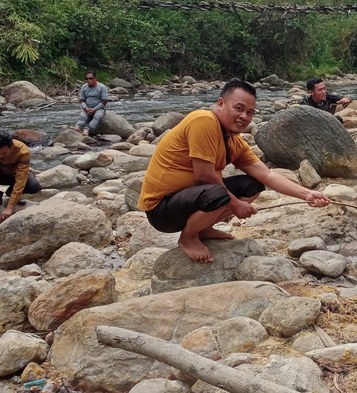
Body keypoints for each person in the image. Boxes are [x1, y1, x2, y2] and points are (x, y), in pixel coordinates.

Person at [138, 80, 330, 263]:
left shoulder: (234, 141)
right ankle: (188, 237)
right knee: (218, 192)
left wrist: (307, 195)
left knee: (252, 185)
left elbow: (267, 175)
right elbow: (204, 175)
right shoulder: (203, 120)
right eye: (238, 108)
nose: (244, 117)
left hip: (189, 201)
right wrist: (236, 204)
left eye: (250, 112)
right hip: (162, 209)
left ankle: (203, 229)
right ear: (220, 103)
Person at [73, 71, 108, 136]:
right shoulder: (84, 87)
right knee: (83, 116)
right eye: (87, 79)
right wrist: (85, 108)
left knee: (98, 116)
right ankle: (77, 127)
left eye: (90, 78)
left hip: (99, 108)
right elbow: (82, 100)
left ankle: (87, 129)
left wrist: (95, 109)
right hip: (87, 107)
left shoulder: (102, 87)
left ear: (95, 78)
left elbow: (104, 101)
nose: (88, 80)